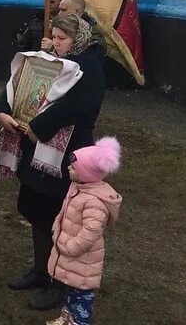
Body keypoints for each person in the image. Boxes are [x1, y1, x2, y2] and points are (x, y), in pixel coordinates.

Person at [0, 14, 106, 311]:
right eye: (53, 36)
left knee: (63, 219)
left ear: (77, 37)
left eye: (62, 38)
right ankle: (40, 270)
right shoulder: (48, 60)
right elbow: (19, 85)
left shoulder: (89, 67)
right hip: (37, 150)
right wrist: (3, 111)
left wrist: (36, 126)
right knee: (36, 210)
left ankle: (60, 284)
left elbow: (75, 106)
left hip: (66, 154)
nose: (56, 43)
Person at [46, 137, 122, 325]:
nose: (68, 169)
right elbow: (65, 211)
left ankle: (78, 322)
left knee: (82, 295)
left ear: (85, 174)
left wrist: (71, 247)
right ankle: (67, 318)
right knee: (71, 290)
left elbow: (91, 232)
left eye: (73, 168)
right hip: (72, 255)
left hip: (83, 259)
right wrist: (58, 227)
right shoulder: (77, 188)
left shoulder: (94, 202)